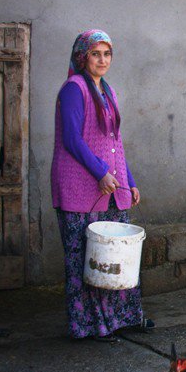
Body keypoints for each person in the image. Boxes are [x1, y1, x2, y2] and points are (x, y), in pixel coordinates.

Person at [51, 29, 153, 342]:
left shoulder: (108, 92)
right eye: (96, 54)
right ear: (83, 57)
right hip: (79, 188)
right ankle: (90, 325)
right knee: (87, 258)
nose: (102, 60)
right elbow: (72, 139)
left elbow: (114, 144)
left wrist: (128, 181)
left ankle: (123, 318)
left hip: (110, 188)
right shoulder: (73, 89)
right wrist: (100, 173)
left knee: (117, 257)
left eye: (107, 54)